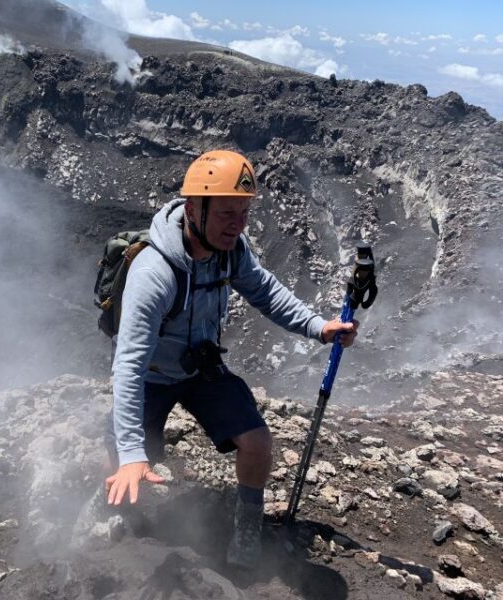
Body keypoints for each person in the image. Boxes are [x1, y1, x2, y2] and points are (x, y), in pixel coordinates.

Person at [104, 149, 358, 569]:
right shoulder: (154, 273)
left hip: (199, 367)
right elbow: (128, 366)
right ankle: (119, 517)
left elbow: (265, 291)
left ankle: (245, 532)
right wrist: (132, 452)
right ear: (192, 209)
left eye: (243, 212)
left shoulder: (230, 250)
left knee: (257, 441)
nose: (237, 225)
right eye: (226, 213)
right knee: (118, 452)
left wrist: (318, 327)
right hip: (150, 373)